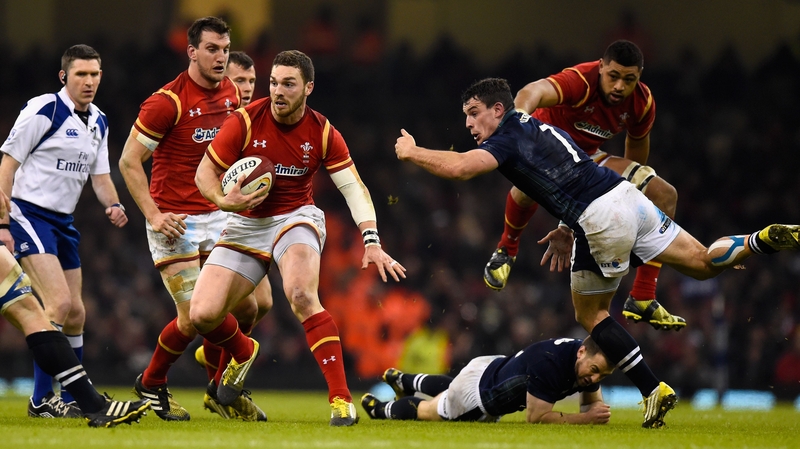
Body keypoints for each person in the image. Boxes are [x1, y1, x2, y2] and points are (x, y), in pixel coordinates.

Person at [393, 77, 800, 427]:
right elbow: (554, 159)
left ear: (498, 110)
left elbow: (461, 167)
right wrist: (563, 226)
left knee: (591, 314)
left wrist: (412, 152)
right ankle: (757, 240)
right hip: (627, 197)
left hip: (600, 217)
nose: (468, 123)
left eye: (473, 113)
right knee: (703, 263)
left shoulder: (507, 140)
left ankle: (652, 389)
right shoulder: (536, 124)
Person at [191, 49, 406, 426]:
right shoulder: (244, 121)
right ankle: (244, 351)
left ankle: (341, 401)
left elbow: (353, 188)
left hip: (295, 217)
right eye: (274, 83)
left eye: (288, 84)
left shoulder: (322, 132)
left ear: (308, 87)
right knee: (202, 315)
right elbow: (204, 173)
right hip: (245, 223)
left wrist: (371, 239)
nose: (278, 91)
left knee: (302, 295)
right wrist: (224, 201)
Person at [118, 16, 265, 422]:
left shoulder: (232, 93)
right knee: (194, 317)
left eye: (225, 49)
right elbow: (129, 161)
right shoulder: (167, 102)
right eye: (212, 49)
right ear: (192, 52)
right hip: (175, 221)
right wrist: (154, 214)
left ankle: (206, 387)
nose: (221, 57)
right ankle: (234, 360)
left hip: (218, 214)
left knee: (249, 307)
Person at [483, 41, 685, 332]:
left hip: (586, 159)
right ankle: (506, 249)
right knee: (525, 190)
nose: (619, 86)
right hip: (545, 149)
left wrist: (627, 195)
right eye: (613, 76)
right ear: (601, 67)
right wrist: (518, 122)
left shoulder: (642, 103)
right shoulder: (581, 81)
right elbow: (533, 90)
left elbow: (637, 146)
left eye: (629, 79)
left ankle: (643, 296)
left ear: (639, 76)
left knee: (665, 195)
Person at [0, 44, 129, 418]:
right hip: (27, 213)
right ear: (64, 76)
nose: (89, 81)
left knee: (76, 314)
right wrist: (3, 222)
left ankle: (71, 398)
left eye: (95, 74)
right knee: (58, 304)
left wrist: (114, 204)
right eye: (81, 74)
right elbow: (7, 165)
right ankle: (42, 399)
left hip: (63, 222)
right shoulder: (45, 109)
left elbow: (100, 176)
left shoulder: (99, 120)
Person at [0, 190, 149, 427]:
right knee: (37, 311)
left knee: (32, 312)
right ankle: (84, 403)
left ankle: (88, 403)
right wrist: (3, 226)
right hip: (29, 219)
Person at [192, 50, 274, 421]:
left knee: (261, 303)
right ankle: (218, 381)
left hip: (239, 221)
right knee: (225, 309)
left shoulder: (257, 118)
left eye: (252, 81)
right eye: (239, 80)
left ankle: (215, 359)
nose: (247, 87)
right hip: (207, 220)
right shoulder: (220, 120)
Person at [362, 337, 613, 424]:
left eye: (602, 375)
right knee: (430, 410)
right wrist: (586, 418)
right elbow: (536, 417)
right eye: (594, 371)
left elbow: (593, 403)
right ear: (582, 352)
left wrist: (594, 409)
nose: (594, 379)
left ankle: (404, 380)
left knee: (450, 387)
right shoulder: (551, 365)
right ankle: (380, 409)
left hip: (490, 367)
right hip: (479, 398)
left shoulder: (581, 353)